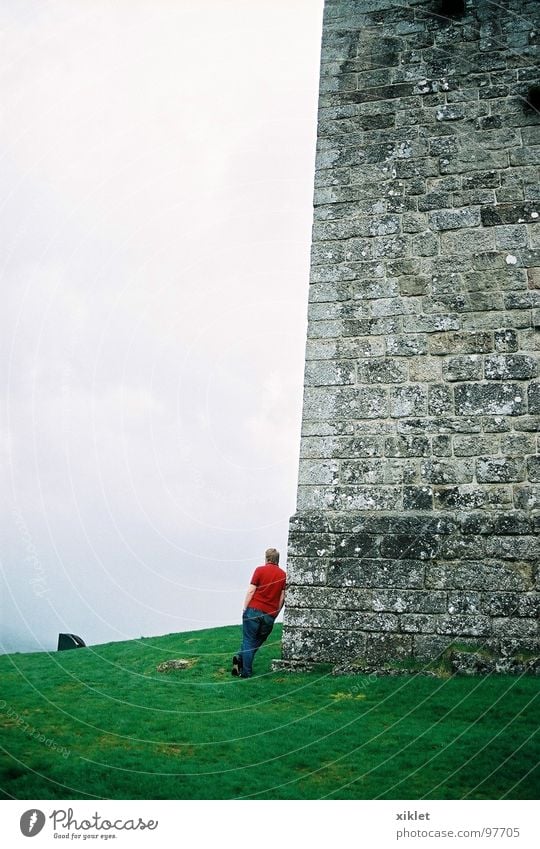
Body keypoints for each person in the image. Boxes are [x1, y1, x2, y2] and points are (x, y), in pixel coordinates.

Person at [232, 547, 286, 679]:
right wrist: (275, 613)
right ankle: (239, 661)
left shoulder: (259, 570)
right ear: (278, 560)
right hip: (269, 614)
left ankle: (245, 671)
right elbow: (282, 597)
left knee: (248, 640)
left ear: (266, 559)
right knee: (258, 639)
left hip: (253, 610)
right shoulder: (283, 575)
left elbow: (251, 590)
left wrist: (245, 608)